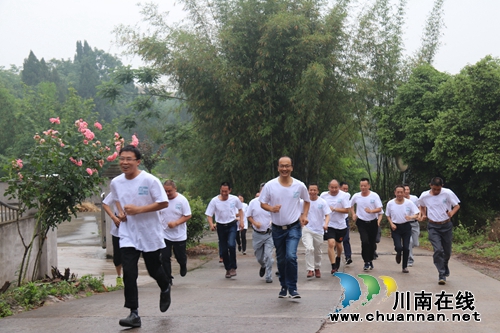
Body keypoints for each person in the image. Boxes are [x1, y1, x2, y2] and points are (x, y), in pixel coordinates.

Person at [108, 145, 171, 328]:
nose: (124, 162)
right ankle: (133, 313)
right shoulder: (116, 182)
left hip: (149, 232)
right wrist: (121, 213)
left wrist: (138, 210)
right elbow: (118, 199)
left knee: (153, 269)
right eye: (122, 159)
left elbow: (163, 202)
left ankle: (165, 285)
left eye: (129, 159)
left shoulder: (150, 180)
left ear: (137, 161)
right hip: (128, 233)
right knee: (129, 272)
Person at [260, 156, 310, 299]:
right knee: (281, 259)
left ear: (292, 167)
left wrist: (304, 215)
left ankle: (293, 288)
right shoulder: (270, 185)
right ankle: (284, 286)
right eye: (282, 166)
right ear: (278, 168)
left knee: (291, 256)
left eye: (287, 166)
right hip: (276, 228)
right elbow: (262, 203)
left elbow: (307, 201)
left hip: (293, 227)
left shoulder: (299, 185)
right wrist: (271, 208)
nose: (284, 169)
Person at [419, 177, 460, 285]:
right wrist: (423, 214)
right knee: (438, 250)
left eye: (438, 189)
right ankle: (441, 274)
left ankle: (444, 264)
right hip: (433, 226)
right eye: (434, 189)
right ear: (430, 186)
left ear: (442, 186)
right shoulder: (424, 195)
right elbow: (421, 205)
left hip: (446, 225)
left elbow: (457, 206)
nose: (436, 191)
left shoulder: (448, 193)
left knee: (447, 252)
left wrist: (452, 213)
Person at [205, 182, 244, 279]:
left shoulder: (234, 199)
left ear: (229, 190)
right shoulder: (214, 201)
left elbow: (240, 210)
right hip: (221, 226)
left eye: (226, 191)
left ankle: (233, 267)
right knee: (223, 249)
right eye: (222, 191)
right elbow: (209, 214)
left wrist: (242, 221)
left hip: (232, 224)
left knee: (231, 245)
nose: (224, 193)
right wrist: (211, 224)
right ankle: (227, 268)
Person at [160, 180, 192, 284]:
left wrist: (176, 223)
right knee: (164, 257)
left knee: (180, 256)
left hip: (179, 235)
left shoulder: (182, 200)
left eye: (170, 191)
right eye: (165, 191)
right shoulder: (161, 200)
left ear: (175, 189)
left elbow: (188, 215)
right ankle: (168, 279)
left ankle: (183, 265)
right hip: (165, 233)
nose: (167, 193)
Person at [385, 185, 420, 273]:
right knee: (398, 247)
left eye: (401, 192)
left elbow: (417, 213)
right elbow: (388, 215)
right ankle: (398, 253)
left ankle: (404, 267)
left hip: (406, 227)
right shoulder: (390, 203)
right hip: (395, 227)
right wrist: (391, 223)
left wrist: (411, 217)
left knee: (406, 248)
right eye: (398, 192)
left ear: (404, 193)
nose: (399, 194)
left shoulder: (409, 203)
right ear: (395, 193)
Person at [350, 178, 383, 271]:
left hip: (373, 222)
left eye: (365, 186)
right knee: (365, 241)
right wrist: (353, 214)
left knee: (372, 243)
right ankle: (366, 262)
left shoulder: (374, 196)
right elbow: (350, 205)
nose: (363, 187)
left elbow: (380, 209)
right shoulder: (356, 196)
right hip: (361, 222)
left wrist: (371, 211)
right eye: (361, 186)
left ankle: (370, 259)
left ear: (369, 186)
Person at [320, 180, 350, 274]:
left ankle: (338, 257)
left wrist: (334, 209)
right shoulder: (323, 195)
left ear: (339, 187)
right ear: (328, 187)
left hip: (341, 225)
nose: (334, 189)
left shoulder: (344, 195)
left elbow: (347, 210)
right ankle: (333, 266)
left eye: (336, 187)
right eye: (332, 187)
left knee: (338, 245)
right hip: (329, 224)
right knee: (331, 243)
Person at [247, 183, 274, 283]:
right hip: (257, 234)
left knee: (268, 256)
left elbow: (275, 215)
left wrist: (271, 222)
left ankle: (269, 276)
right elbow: (248, 216)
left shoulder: (272, 203)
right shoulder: (253, 202)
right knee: (259, 257)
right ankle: (263, 265)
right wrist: (254, 223)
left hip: (269, 234)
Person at [302, 183, 330, 278]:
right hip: (307, 229)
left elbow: (327, 215)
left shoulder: (322, 202)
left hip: (319, 230)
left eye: (314, 190)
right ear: (308, 191)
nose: (312, 192)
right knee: (309, 249)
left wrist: (326, 224)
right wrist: (302, 221)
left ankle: (317, 267)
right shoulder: (304, 202)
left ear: (318, 191)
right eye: (311, 190)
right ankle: (310, 269)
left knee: (317, 251)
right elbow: (300, 213)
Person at [102, 193, 123, 287]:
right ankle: (119, 276)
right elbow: (105, 204)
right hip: (117, 229)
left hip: (132, 230)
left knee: (130, 256)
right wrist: (114, 217)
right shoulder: (116, 190)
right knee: (117, 256)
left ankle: (130, 278)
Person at [404, 184, 420, 267]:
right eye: (405, 190)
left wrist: (420, 216)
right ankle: (410, 259)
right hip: (406, 224)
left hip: (415, 223)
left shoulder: (415, 198)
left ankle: (406, 248)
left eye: (408, 189)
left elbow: (420, 207)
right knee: (409, 242)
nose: (406, 191)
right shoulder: (400, 201)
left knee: (415, 243)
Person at [339, 182, 353, 265]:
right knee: (335, 241)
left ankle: (348, 256)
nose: (345, 190)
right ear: (339, 188)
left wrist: (353, 214)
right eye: (344, 189)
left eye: (347, 189)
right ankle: (335, 256)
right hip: (334, 222)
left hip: (345, 220)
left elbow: (350, 206)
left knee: (346, 239)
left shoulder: (347, 195)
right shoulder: (333, 196)